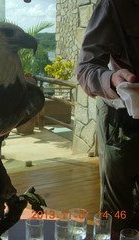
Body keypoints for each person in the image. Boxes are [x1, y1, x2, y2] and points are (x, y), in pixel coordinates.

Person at [77, 0, 139, 232]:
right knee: (118, 213)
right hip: (123, 118)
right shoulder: (115, 4)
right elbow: (86, 69)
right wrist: (112, 79)